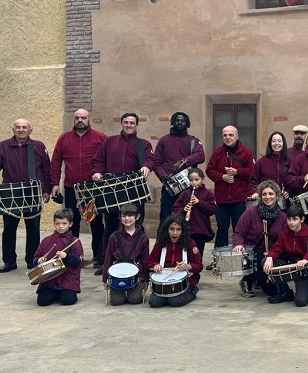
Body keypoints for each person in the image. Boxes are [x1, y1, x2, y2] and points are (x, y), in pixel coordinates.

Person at [0, 118, 51, 273]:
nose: (21, 130)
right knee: (9, 228)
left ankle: (32, 260)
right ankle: (9, 261)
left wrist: (46, 190)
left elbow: (46, 170)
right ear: (13, 129)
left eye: (24, 127)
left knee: (33, 228)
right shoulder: (3, 146)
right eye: (18, 127)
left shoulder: (38, 146)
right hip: (10, 192)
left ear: (30, 130)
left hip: (33, 192)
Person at [91, 112, 155, 265]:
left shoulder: (144, 144)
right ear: (121, 123)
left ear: (136, 125)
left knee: (137, 226)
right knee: (111, 226)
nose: (128, 125)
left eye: (132, 123)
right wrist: (97, 172)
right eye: (126, 122)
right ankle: (106, 262)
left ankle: (138, 260)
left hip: (134, 189)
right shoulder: (109, 141)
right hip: (112, 189)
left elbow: (151, 159)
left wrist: (147, 166)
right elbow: (98, 161)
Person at [50, 109, 107, 271]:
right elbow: (56, 162)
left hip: (94, 189)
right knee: (72, 224)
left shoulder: (100, 138)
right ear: (74, 120)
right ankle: (72, 257)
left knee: (96, 224)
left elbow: (106, 160)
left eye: (83, 117)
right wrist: (55, 183)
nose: (80, 120)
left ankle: (98, 256)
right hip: (71, 189)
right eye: (77, 118)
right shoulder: (64, 138)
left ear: (90, 119)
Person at [232, 180, 288, 297]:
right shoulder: (251, 213)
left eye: (271, 194)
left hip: (274, 255)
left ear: (277, 196)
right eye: (264, 194)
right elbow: (239, 232)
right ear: (260, 197)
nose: (267, 197)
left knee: (272, 291)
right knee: (260, 264)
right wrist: (238, 244)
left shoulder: (283, 217)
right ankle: (248, 280)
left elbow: (286, 239)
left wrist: (273, 254)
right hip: (254, 254)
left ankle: (260, 278)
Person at [263, 204, 308, 306]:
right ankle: (285, 292)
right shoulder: (284, 233)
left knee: (300, 301)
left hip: (303, 270)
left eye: (295, 219)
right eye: (289, 219)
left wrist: (305, 260)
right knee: (266, 261)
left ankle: (305, 286)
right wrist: (270, 257)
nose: (291, 222)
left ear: (302, 219)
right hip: (289, 266)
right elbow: (276, 248)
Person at [206, 125, 254, 248]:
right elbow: (209, 171)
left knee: (240, 228)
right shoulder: (217, 153)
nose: (228, 137)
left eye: (231, 135)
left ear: (237, 136)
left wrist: (237, 172)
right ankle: (218, 258)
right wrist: (223, 177)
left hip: (240, 199)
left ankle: (240, 257)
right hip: (222, 199)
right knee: (222, 228)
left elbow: (252, 172)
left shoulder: (246, 152)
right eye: (225, 135)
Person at [154, 112, 206, 223]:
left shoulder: (193, 141)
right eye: (177, 120)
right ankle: (163, 240)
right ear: (172, 122)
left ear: (188, 124)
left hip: (188, 187)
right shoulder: (163, 140)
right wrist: (163, 177)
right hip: (169, 187)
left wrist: (184, 161)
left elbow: (201, 156)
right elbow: (156, 163)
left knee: (187, 219)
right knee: (166, 218)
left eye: (183, 120)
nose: (180, 122)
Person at [147, 215, 203, 308]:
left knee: (175, 301)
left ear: (183, 231)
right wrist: (155, 265)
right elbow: (150, 262)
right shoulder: (160, 243)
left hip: (185, 282)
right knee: (154, 302)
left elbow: (199, 266)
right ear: (167, 229)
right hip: (164, 281)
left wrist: (187, 266)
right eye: (171, 229)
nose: (175, 232)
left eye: (178, 229)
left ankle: (192, 292)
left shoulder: (190, 243)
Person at [33, 209, 84, 306]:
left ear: (71, 224)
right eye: (58, 223)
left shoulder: (75, 242)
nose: (60, 226)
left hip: (67, 279)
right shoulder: (46, 240)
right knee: (42, 302)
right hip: (49, 279)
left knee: (68, 301)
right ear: (54, 224)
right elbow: (36, 257)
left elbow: (78, 262)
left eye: (64, 223)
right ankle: (55, 292)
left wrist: (67, 256)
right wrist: (38, 260)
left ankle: (62, 292)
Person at [101, 204, 150, 306]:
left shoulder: (143, 237)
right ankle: (119, 293)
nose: (127, 219)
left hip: (136, 274)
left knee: (135, 300)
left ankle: (135, 290)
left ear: (137, 217)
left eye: (130, 216)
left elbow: (145, 259)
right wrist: (105, 278)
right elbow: (108, 258)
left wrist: (146, 279)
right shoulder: (114, 236)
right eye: (124, 216)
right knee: (116, 301)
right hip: (117, 275)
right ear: (120, 218)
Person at [173, 167, 217, 256]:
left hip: (200, 230)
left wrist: (199, 202)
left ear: (202, 179)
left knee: (197, 253)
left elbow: (212, 209)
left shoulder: (208, 193)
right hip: (186, 229)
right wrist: (183, 209)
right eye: (191, 180)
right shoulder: (184, 194)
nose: (194, 182)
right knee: (185, 253)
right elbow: (175, 209)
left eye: (197, 180)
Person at [250, 131, 290, 202]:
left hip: (284, 202)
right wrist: (255, 192)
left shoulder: (289, 162)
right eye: (274, 141)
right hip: (266, 200)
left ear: (283, 143)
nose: (276, 143)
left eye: (279, 141)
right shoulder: (262, 162)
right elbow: (253, 180)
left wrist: (288, 191)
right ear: (270, 143)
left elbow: (292, 181)